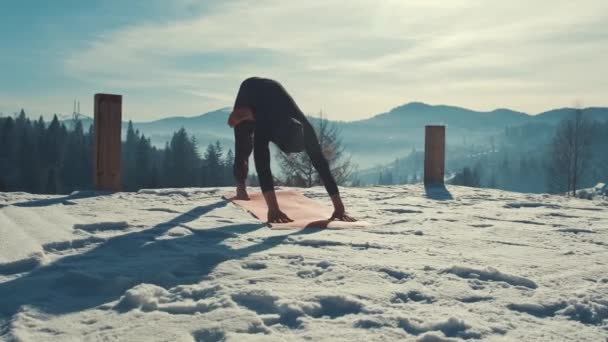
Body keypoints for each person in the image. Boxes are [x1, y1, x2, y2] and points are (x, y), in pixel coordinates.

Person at [228, 77, 356, 224]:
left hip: (272, 94)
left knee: (254, 119)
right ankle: (240, 188)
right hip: (249, 90)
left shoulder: (305, 128)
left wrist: (339, 206)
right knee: (243, 143)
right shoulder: (264, 127)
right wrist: (273, 208)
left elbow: (321, 164)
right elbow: (262, 165)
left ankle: (247, 113)